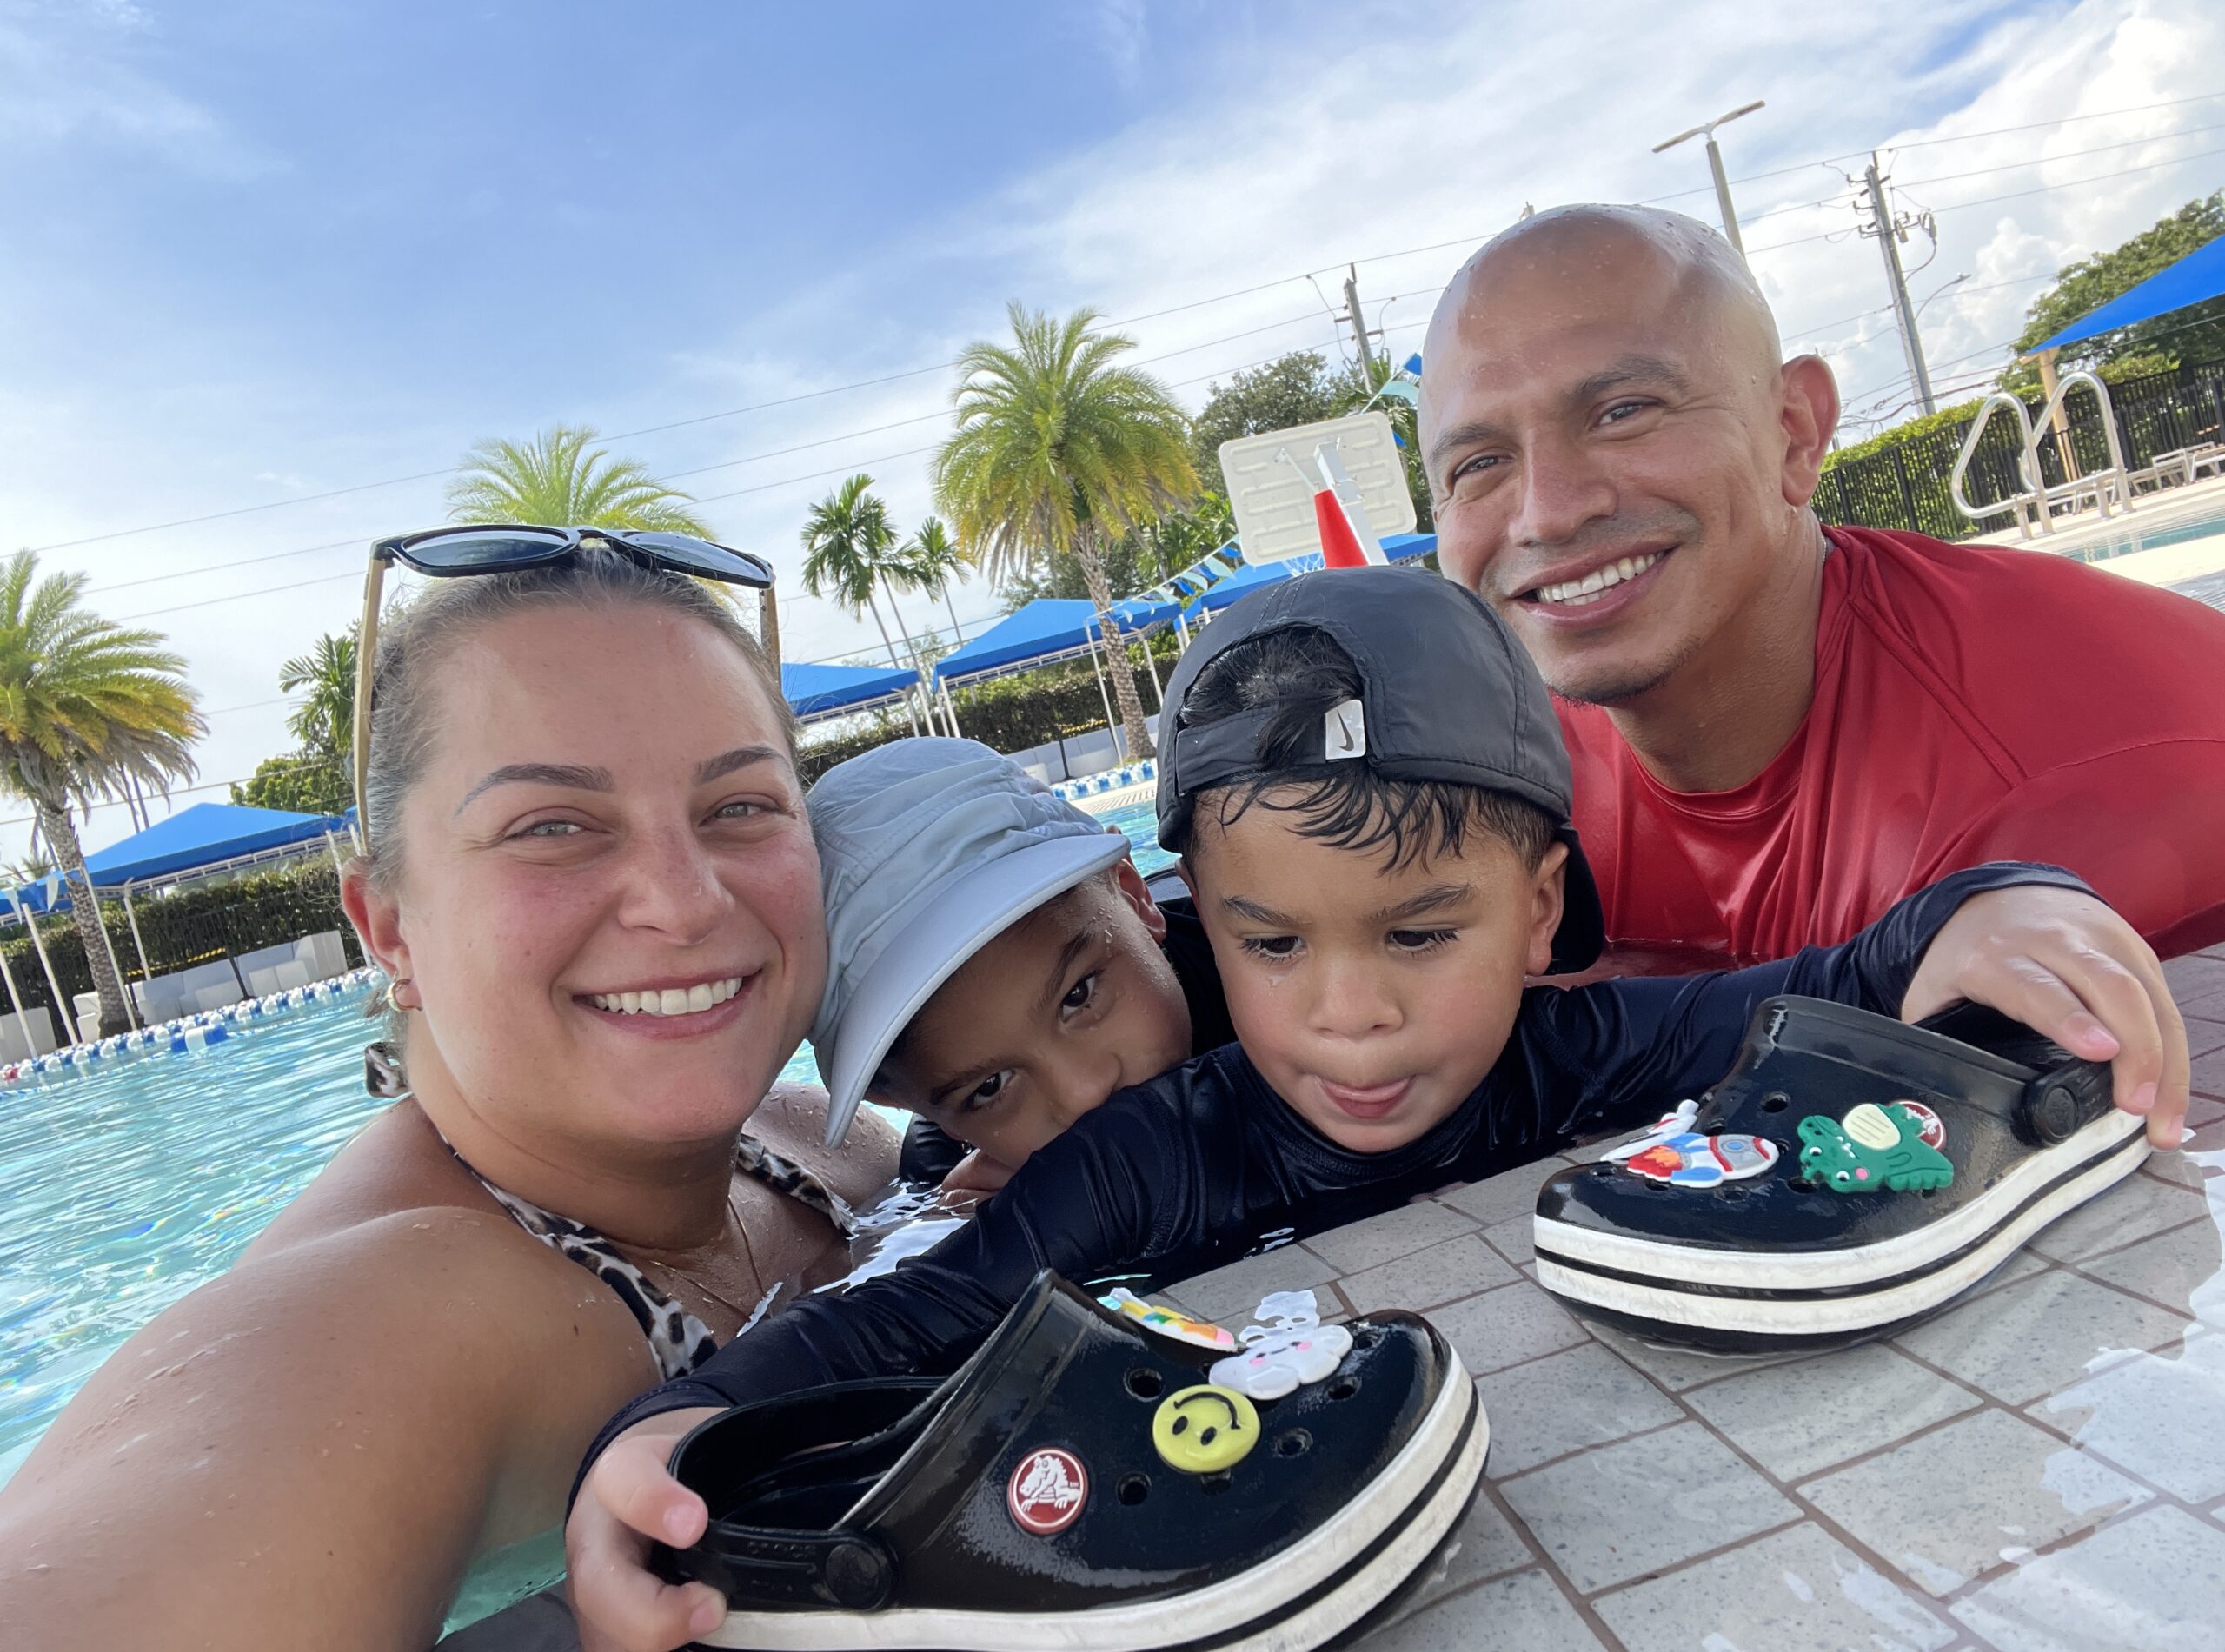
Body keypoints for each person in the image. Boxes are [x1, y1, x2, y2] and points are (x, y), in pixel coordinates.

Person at [563, 566, 2188, 1652]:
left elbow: (1813, 984)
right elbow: (901, 1325)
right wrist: (655, 1439)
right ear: (1209, 914)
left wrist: (1996, 905)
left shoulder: (1564, 1050)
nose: (1352, 1013)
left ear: (1540, 917)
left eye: (1422, 935)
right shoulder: (1140, 1163)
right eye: (1273, 948)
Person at [0, 542, 897, 1650]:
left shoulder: (824, 1143)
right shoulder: (409, 1310)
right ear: (387, 928)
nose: (682, 898)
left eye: (741, 805)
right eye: (552, 826)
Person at [1418, 203, 2225, 970]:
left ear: (1794, 432)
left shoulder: (2079, 780)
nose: (1548, 515)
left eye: (1624, 410)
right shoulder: (1493, 784)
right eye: (1479, 464)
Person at [807, 736, 1232, 1198]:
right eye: (990, 1088)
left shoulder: (1267, 968)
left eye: (1079, 996)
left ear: (1133, 896)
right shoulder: (954, 1184)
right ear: (899, 1100)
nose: (1084, 1094)